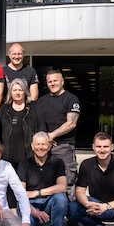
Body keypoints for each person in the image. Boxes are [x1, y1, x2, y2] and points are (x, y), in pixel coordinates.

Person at [0, 77, 46, 210]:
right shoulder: (3, 109)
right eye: (15, 90)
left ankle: (29, 212)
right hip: (8, 154)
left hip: (28, 154)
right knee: (9, 185)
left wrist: (40, 148)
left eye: (20, 90)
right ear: (10, 92)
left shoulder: (34, 108)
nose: (17, 93)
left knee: (27, 184)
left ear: (25, 91)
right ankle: (13, 212)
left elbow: (41, 130)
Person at [17, 131, 69, 226]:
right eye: (38, 144)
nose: (40, 147)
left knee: (61, 198)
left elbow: (62, 186)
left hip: (49, 202)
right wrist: (35, 212)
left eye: (44, 144)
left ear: (49, 146)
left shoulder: (57, 162)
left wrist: (37, 192)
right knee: (30, 223)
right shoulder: (24, 164)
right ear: (32, 146)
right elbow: (21, 194)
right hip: (31, 205)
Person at [38, 69, 81, 201]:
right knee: (46, 182)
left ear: (62, 81)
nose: (52, 83)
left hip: (63, 147)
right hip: (44, 148)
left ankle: (71, 212)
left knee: (67, 183)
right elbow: (36, 123)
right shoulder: (42, 101)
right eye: (49, 81)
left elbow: (72, 123)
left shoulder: (71, 99)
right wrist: (45, 138)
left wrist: (51, 136)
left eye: (55, 80)